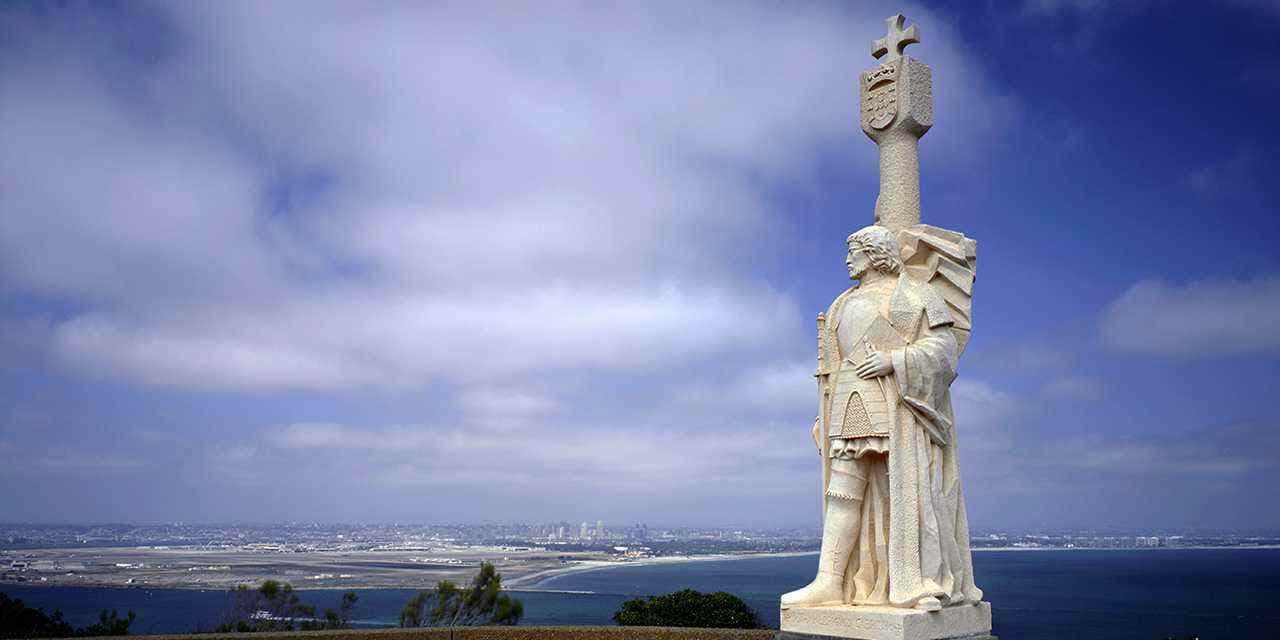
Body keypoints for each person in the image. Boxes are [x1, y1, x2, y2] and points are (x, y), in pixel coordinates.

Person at [780, 225, 982, 611]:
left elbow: (944, 350)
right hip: (847, 402)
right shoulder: (841, 304)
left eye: (853, 251)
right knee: (842, 492)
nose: (847, 259)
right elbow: (833, 368)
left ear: (875, 254)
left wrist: (895, 360)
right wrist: (824, 416)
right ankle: (829, 581)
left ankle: (917, 582)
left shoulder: (915, 294)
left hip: (897, 406)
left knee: (905, 492)